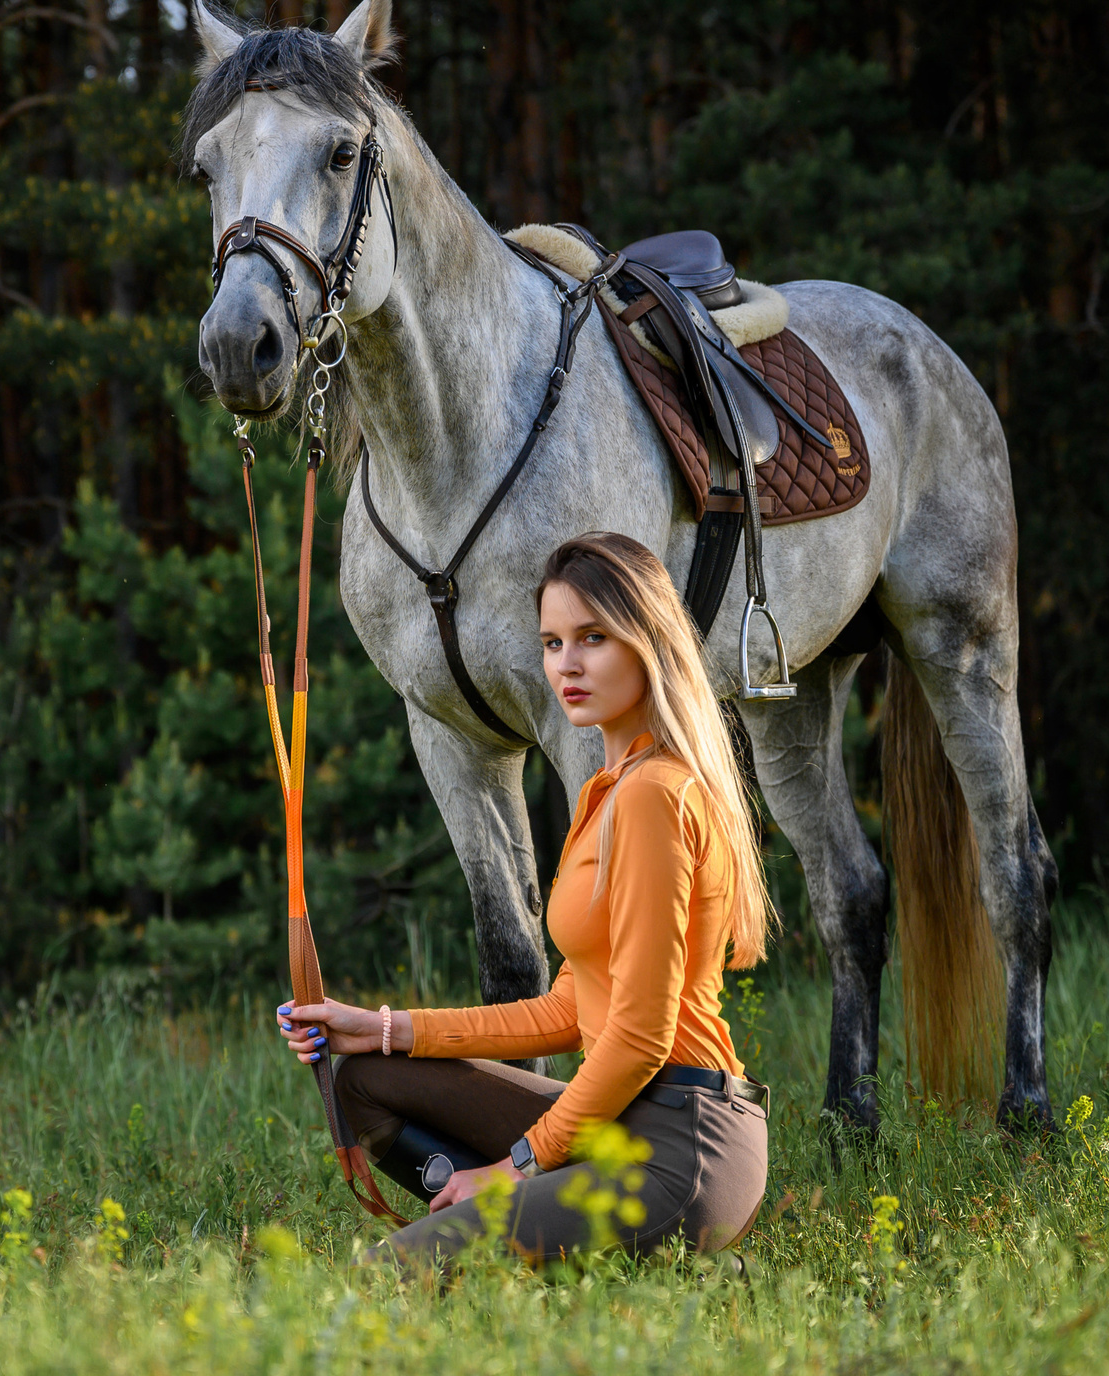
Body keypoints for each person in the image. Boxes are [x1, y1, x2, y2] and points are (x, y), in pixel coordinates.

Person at [276, 532, 772, 1265]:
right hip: (621, 1122)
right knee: (369, 1079)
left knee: (387, 1274)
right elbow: (567, 1011)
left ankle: (575, 1243)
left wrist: (512, 1170)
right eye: (551, 642)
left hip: (677, 1146)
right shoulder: (608, 794)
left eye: (593, 638)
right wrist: (379, 1027)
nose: (565, 665)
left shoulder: (655, 799)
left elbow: (639, 1036)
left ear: (649, 644)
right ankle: (540, 1244)